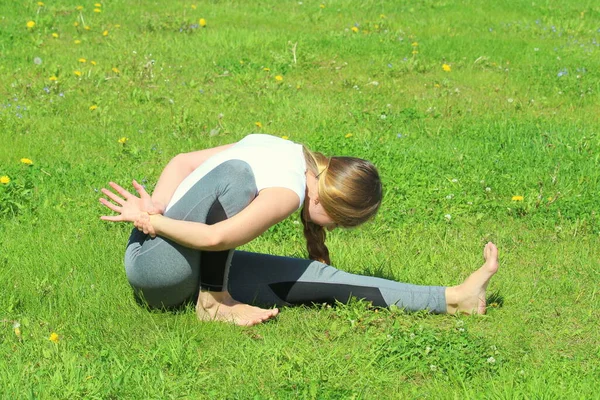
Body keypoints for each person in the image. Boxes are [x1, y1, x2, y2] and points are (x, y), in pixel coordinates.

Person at [100, 134, 499, 326]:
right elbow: (216, 238)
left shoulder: (283, 149)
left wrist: (158, 203)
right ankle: (213, 304)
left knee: (321, 278)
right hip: (155, 267)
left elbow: (181, 160)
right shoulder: (288, 192)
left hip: (183, 259)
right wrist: (151, 217)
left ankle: (452, 299)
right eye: (341, 225)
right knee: (236, 178)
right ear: (329, 205)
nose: (334, 231)